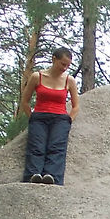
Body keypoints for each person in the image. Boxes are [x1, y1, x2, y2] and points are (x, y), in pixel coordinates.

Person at [19, 47, 80, 185]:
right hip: (39, 117)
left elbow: (76, 106)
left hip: (60, 119)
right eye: (62, 64)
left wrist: (68, 121)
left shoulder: (69, 80)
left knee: (57, 148)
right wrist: (32, 117)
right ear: (54, 59)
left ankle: (52, 178)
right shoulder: (37, 76)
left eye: (68, 65)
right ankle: (33, 176)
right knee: (36, 147)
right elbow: (25, 101)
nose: (65, 68)